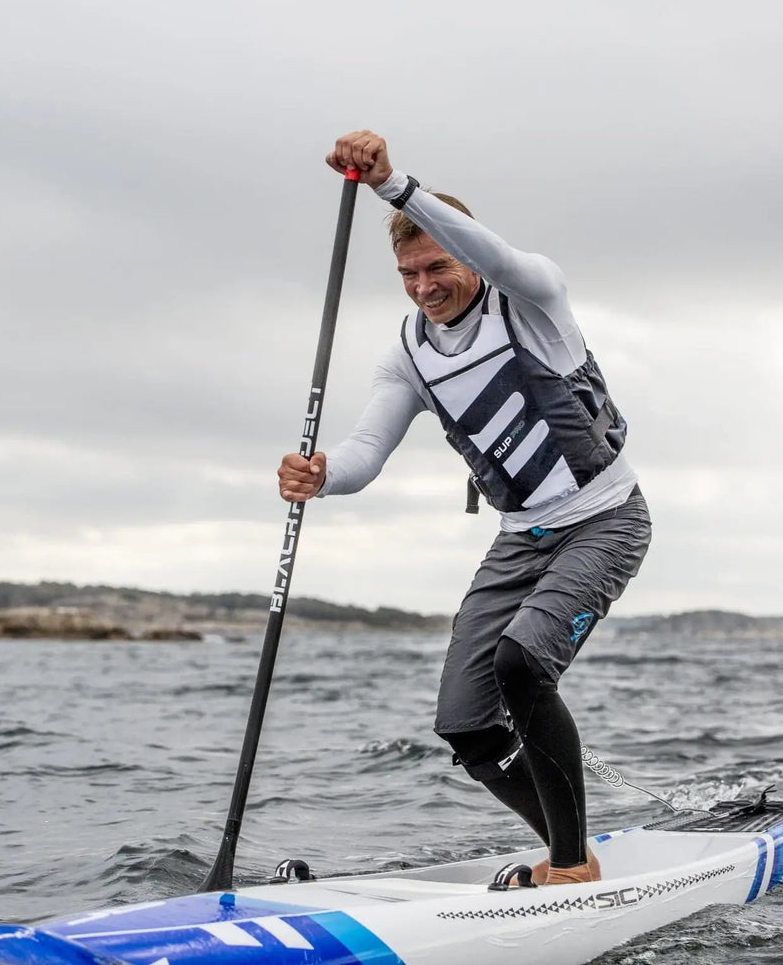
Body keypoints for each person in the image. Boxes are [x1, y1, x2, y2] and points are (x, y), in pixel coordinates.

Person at [278, 130, 652, 886]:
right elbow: (365, 452)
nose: (423, 286)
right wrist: (321, 475)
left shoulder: (533, 299)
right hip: (521, 540)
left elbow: (503, 259)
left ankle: (573, 867)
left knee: (521, 663)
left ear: (468, 258)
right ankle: (571, 846)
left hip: (606, 521)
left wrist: (393, 185)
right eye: (407, 274)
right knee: (466, 722)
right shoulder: (410, 353)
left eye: (437, 266)